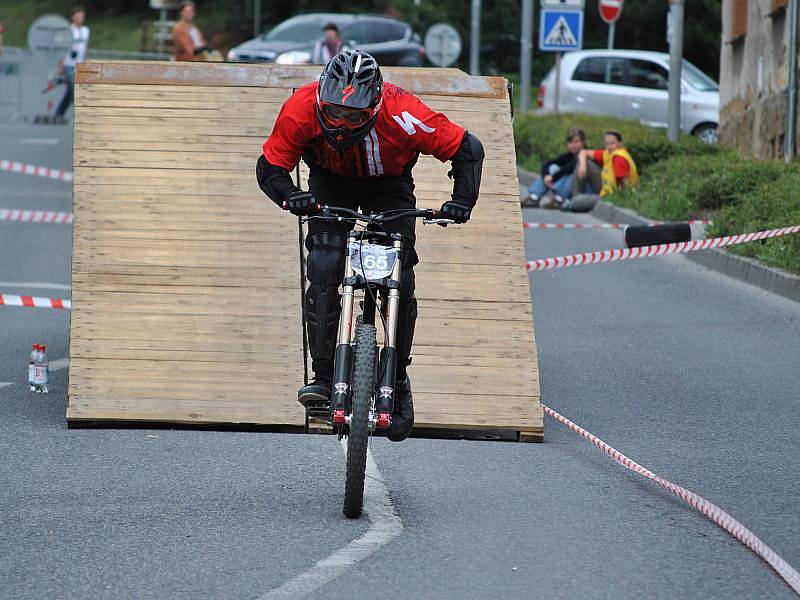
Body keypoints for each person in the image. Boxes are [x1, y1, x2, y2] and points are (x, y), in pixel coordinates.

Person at [256, 49, 484, 442]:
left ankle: (397, 377)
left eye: (354, 116)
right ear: (321, 99)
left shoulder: (403, 112)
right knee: (326, 264)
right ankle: (325, 376)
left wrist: (462, 201)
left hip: (388, 187)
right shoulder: (300, 108)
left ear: (375, 107)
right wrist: (290, 195)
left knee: (400, 276)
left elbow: (468, 150)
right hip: (330, 184)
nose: (341, 125)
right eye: (333, 113)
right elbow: (270, 166)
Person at [573, 130, 638, 210]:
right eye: (607, 144)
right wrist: (583, 166)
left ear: (620, 143)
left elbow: (627, 185)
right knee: (584, 162)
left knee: (577, 201)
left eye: (612, 143)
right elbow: (583, 152)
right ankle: (574, 198)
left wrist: (631, 201)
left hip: (612, 196)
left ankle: (573, 202)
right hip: (605, 189)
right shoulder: (608, 153)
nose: (609, 146)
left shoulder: (619, 157)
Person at [522, 127, 586, 208]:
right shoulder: (570, 155)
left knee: (572, 172)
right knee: (553, 167)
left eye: (576, 142)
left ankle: (559, 199)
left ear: (583, 142)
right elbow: (547, 163)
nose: (573, 145)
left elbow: (571, 167)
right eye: (570, 142)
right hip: (567, 187)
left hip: (582, 190)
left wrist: (553, 178)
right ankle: (534, 197)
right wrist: (546, 176)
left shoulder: (587, 153)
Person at [54, 7, 89, 123]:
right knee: (74, 88)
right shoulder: (68, 30)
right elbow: (61, 48)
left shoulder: (86, 30)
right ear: (73, 17)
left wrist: (85, 63)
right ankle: (81, 113)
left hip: (80, 64)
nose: (80, 18)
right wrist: (60, 65)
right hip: (68, 63)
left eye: (81, 16)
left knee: (70, 91)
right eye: (77, 16)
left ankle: (59, 113)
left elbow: (85, 48)